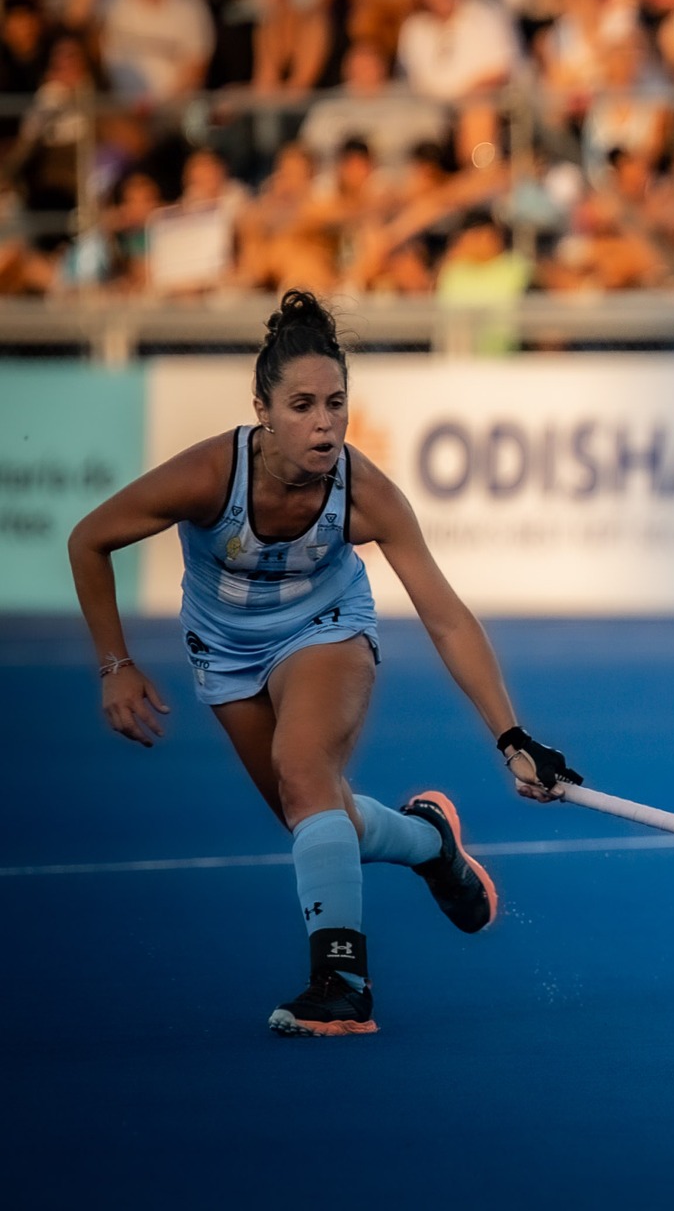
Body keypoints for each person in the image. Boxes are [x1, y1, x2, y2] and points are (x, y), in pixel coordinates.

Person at [68, 291, 583, 1037]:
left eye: (336, 403)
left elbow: (444, 614)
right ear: (263, 410)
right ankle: (429, 842)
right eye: (302, 404)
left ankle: (341, 984)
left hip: (327, 627)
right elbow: (89, 539)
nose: (324, 422)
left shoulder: (364, 493)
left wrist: (512, 736)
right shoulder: (210, 475)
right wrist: (114, 663)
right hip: (225, 650)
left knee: (304, 771)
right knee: (313, 813)